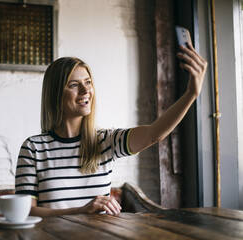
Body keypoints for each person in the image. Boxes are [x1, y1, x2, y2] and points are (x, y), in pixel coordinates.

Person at [15, 42, 208, 217]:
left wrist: (192, 93)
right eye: (74, 84)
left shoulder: (105, 142)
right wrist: (81, 211)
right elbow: (26, 212)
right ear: (55, 94)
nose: (85, 91)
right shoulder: (33, 148)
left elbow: (154, 134)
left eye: (88, 82)